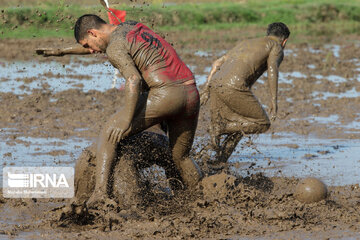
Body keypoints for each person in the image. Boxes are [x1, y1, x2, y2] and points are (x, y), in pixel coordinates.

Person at [73, 14, 202, 206]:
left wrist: (127, 119)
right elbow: (108, 45)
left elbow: (133, 79)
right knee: (181, 156)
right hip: (191, 93)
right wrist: (62, 51)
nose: (91, 51)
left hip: (166, 94)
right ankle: (200, 199)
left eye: (87, 45)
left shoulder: (114, 48)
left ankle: (100, 194)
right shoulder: (132, 26)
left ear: (93, 33)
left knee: (109, 132)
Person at [200, 22, 290, 171]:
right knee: (262, 123)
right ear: (284, 40)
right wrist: (274, 100)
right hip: (233, 86)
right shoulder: (276, 46)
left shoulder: (246, 42)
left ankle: (218, 162)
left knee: (241, 125)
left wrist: (206, 87)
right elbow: (272, 70)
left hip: (216, 85)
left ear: (268, 34)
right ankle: (219, 128)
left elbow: (217, 63)